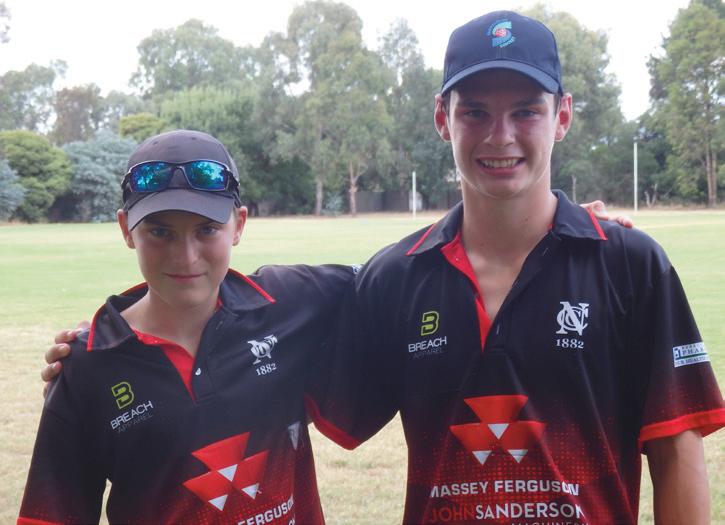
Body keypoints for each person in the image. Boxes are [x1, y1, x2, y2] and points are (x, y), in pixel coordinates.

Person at [305, 11, 725, 525]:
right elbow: (301, 407)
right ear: (442, 118)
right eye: (475, 112)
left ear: (562, 116)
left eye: (526, 111)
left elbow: (676, 450)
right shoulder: (396, 277)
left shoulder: (629, 265)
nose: (500, 136)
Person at [19, 130, 353, 524]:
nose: (186, 256)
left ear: (239, 224)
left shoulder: (289, 301)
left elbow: (396, 280)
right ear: (126, 229)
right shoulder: (87, 366)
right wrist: (81, 367)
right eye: (160, 232)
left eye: (207, 229)